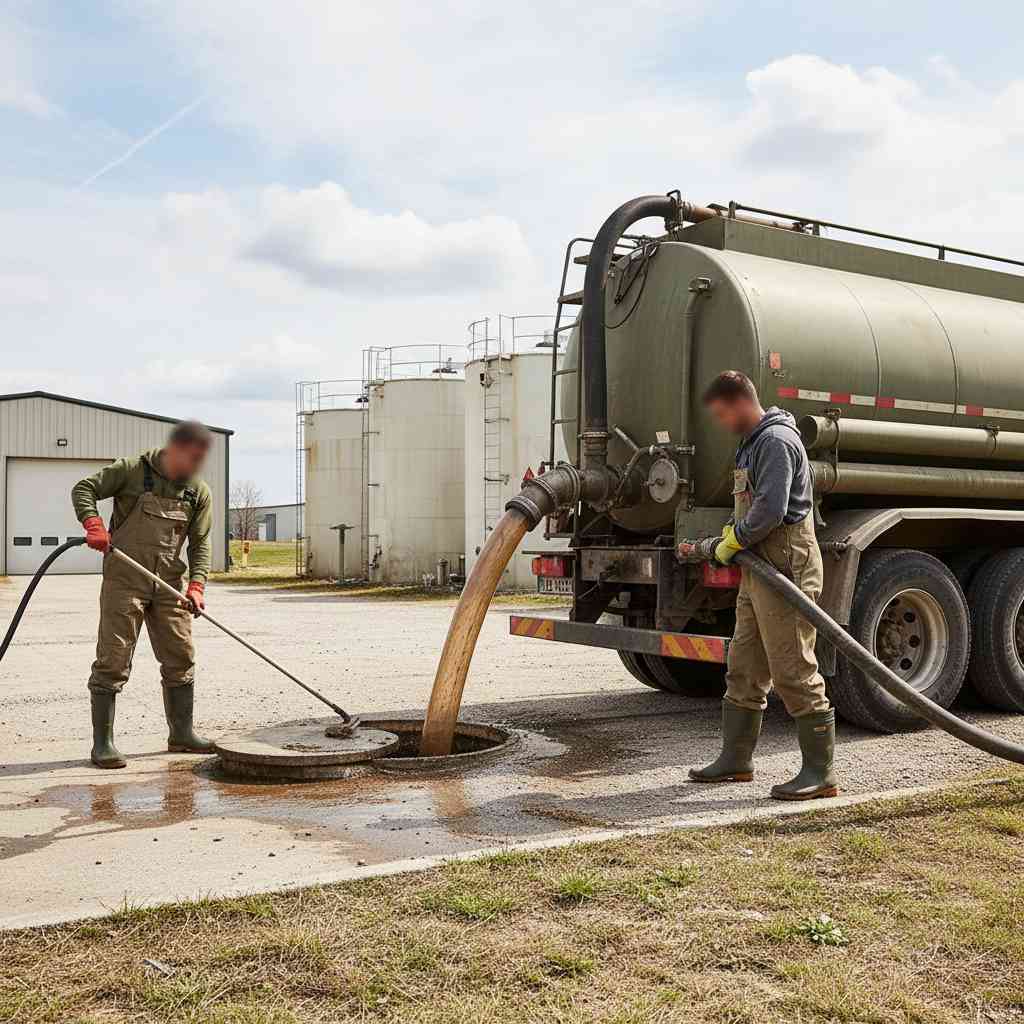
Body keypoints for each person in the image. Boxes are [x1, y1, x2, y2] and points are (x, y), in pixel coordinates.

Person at [688, 371, 838, 800]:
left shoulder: (775, 441)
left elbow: (771, 510)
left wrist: (732, 541)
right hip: (760, 568)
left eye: (722, 414)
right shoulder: (752, 442)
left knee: (792, 668)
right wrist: (731, 533)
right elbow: (750, 503)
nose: (721, 422)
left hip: (785, 566)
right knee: (745, 665)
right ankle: (736, 759)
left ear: (741, 403)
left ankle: (820, 772)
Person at [72, 420, 218, 769]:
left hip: (169, 584)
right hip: (125, 580)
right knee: (113, 658)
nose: (194, 466)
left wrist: (197, 585)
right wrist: (93, 524)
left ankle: (181, 734)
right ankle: (103, 744)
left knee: (180, 656)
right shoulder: (131, 470)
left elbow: (200, 543)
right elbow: (84, 488)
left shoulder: (197, 491)